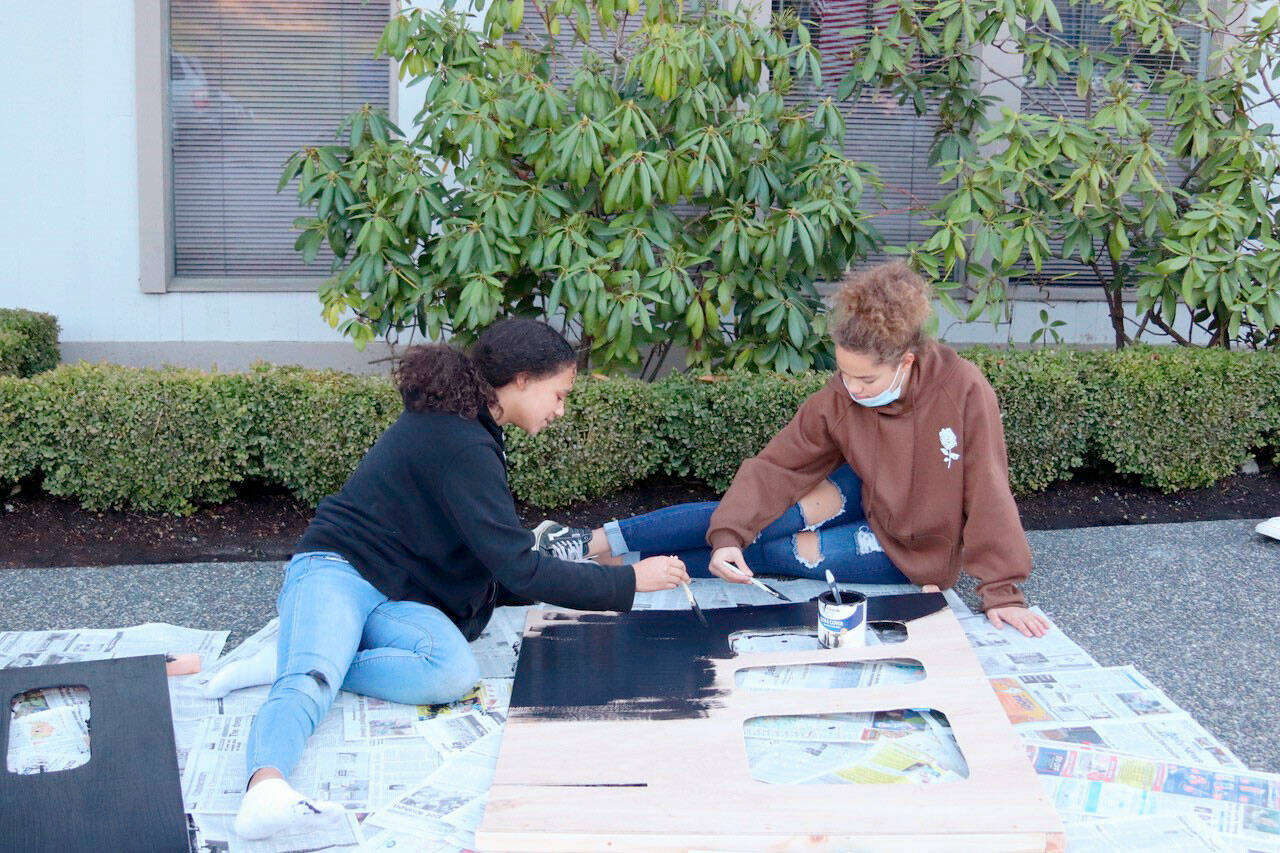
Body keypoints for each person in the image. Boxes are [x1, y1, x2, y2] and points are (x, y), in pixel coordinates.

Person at [209, 318, 689, 841]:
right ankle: (266, 788)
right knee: (308, 682)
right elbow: (519, 566)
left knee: (451, 673)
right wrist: (628, 583)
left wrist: (593, 569)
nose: (560, 410)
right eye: (559, 393)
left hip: (400, 592)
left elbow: (497, 554)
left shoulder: (474, 429)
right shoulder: (460, 440)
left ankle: (305, 652)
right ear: (523, 380)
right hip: (338, 567)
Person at [535, 262, 1049, 638]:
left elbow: (987, 486)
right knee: (745, 524)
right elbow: (779, 466)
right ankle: (588, 542)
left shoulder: (963, 390)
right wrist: (729, 534)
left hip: (912, 548)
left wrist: (1001, 590)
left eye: (866, 378)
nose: (852, 388)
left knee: (775, 553)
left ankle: (612, 575)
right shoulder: (842, 394)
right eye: (843, 374)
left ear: (907, 362)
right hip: (866, 490)